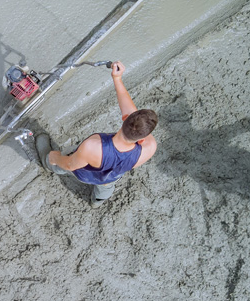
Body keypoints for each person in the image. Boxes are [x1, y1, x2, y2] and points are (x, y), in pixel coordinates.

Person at [35, 61, 158, 207]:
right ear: (142, 139)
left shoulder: (93, 146)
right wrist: (117, 79)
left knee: (65, 156)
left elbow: (69, 165)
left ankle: (48, 164)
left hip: (86, 175)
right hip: (110, 178)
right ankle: (98, 201)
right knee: (106, 188)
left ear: (124, 117)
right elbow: (131, 113)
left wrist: (54, 157)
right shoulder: (149, 147)